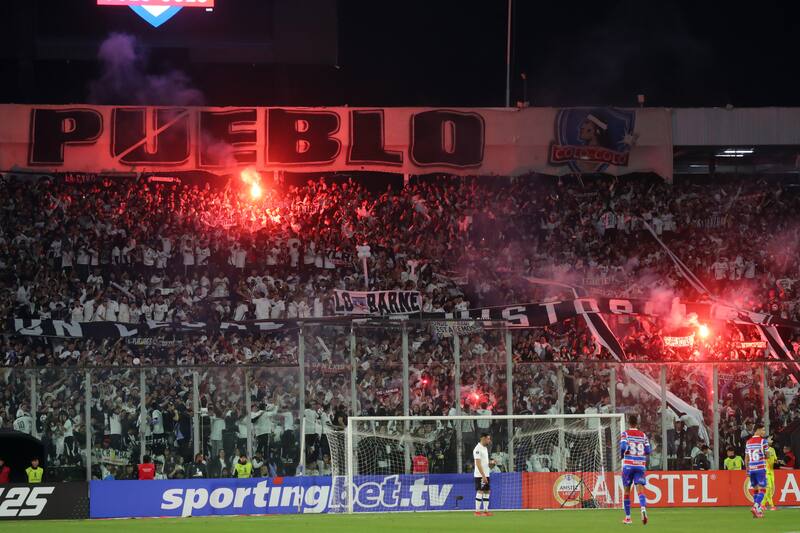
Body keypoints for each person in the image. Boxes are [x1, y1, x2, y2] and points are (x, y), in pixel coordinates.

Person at [620, 415, 650, 525]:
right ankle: (643, 509)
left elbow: (623, 447)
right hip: (640, 465)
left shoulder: (625, 434)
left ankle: (628, 518)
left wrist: (622, 455)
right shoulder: (643, 435)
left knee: (627, 491)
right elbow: (648, 450)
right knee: (640, 490)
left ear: (629, 423)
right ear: (637, 423)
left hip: (628, 465)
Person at [744, 424, 769, 518]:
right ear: (757, 430)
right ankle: (755, 506)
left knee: (755, 489)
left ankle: (757, 511)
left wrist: (747, 470)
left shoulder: (748, 442)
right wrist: (768, 450)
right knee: (763, 489)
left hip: (752, 469)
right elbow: (767, 455)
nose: (764, 432)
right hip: (760, 468)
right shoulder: (763, 441)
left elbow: (746, 458)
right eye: (763, 430)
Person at [473, 432, 494, 517]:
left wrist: (491, 464)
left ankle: (485, 511)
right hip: (480, 475)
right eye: (488, 438)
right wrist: (483, 476)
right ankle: (477, 512)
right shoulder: (477, 449)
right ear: (483, 438)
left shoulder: (485, 448)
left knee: (487, 491)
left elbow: (485, 463)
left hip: (486, 473)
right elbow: (478, 464)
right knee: (480, 491)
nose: (489, 440)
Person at [764, 439, 777, 511]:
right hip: (766, 471)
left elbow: (775, 459)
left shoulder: (773, 449)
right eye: (770, 440)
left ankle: (763, 505)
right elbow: (765, 458)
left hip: (771, 471)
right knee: (769, 487)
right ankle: (770, 505)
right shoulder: (763, 450)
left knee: (770, 488)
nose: (772, 441)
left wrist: (777, 461)